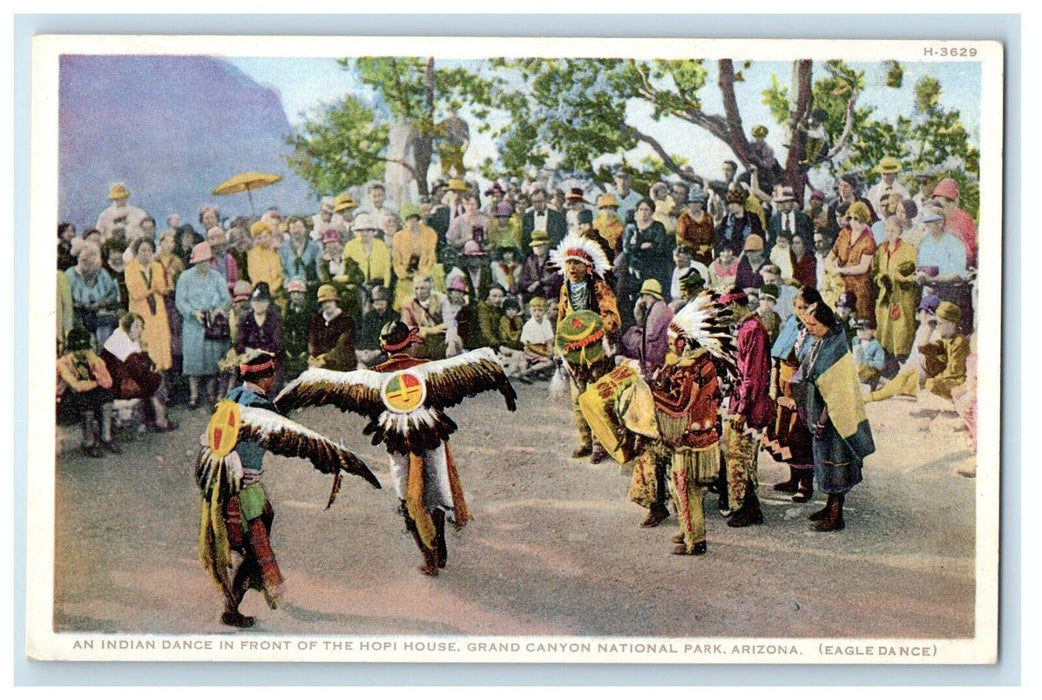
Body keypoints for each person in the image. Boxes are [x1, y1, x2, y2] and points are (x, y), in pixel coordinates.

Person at [196, 349, 374, 627]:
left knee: (260, 528)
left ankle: (253, 581)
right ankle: (231, 609)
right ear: (266, 376)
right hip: (244, 490)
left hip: (223, 486)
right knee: (255, 548)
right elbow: (284, 434)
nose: (274, 379)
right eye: (272, 375)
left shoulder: (231, 398)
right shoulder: (261, 408)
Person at [652, 297, 727, 555]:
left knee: (685, 487)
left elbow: (680, 405)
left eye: (674, 341)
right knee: (684, 487)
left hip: (689, 438)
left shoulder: (691, 369)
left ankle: (694, 540)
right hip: (703, 433)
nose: (671, 345)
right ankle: (688, 531)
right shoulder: (704, 363)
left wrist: (651, 395)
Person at [793, 300, 875, 532]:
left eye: (814, 324)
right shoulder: (823, 341)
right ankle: (830, 506)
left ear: (827, 324)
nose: (810, 328)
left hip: (835, 419)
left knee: (837, 464)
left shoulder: (836, 349)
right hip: (822, 413)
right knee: (824, 462)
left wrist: (822, 420)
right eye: (807, 323)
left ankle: (836, 515)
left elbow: (837, 392)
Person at [552, 234, 621, 463]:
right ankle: (585, 441)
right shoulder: (565, 288)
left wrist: (594, 332)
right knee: (577, 397)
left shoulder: (599, 287)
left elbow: (612, 317)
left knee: (596, 397)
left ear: (588, 266)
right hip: (574, 350)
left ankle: (602, 444)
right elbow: (562, 318)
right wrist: (559, 345)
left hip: (596, 349)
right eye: (569, 263)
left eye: (577, 263)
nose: (572, 268)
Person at [763, 285, 821, 504]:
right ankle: (793, 477)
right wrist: (774, 387)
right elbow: (777, 356)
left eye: (806, 307)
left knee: (800, 435)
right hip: (783, 386)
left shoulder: (818, 329)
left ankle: (806, 484)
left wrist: (798, 397)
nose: (801, 312)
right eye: (798, 307)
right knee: (784, 432)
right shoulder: (791, 323)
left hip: (802, 391)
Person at [721, 289, 772, 527]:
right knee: (741, 458)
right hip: (744, 400)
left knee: (740, 457)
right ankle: (748, 507)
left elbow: (752, 375)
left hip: (749, 405)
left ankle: (748, 509)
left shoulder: (752, 330)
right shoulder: (748, 328)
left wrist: (741, 409)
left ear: (735, 307)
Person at [175, 242, 232, 410]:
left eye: (206, 261)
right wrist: (193, 313)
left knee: (212, 360)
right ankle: (193, 395)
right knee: (193, 361)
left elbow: (226, 299)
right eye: (200, 261)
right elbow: (180, 301)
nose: (204, 264)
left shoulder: (217, 277)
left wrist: (218, 311)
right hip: (193, 324)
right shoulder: (185, 277)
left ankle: (210, 394)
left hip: (212, 323)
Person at [101, 312, 174, 432]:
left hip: (122, 378)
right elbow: (136, 369)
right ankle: (161, 422)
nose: (140, 330)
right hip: (116, 384)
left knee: (154, 378)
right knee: (157, 382)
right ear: (127, 326)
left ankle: (151, 418)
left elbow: (139, 364)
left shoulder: (125, 337)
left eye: (141, 327)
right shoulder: (122, 341)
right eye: (136, 327)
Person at [865, 294, 941, 402]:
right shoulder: (921, 329)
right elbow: (913, 357)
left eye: (925, 312)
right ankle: (886, 390)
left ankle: (874, 396)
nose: (922, 315)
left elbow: (927, 360)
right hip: (917, 369)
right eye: (922, 312)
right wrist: (904, 373)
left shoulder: (936, 333)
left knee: (901, 384)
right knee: (901, 381)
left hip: (928, 373)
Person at [123, 237, 173, 403]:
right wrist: (153, 289)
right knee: (144, 352)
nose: (145, 254)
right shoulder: (130, 268)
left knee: (160, 351)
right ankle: (145, 399)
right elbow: (136, 293)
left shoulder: (157, 266)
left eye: (149, 250)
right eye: (142, 250)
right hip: (141, 315)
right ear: (136, 252)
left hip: (158, 315)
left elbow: (163, 288)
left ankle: (161, 397)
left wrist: (153, 289)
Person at [57, 326, 119, 458]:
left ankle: (106, 437)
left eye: (84, 349)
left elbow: (108, 382)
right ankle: (88, 442)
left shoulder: (94, 360)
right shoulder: (63, 363)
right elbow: (76, 386)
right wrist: (96, 383)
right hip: (67, 399)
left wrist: (96, 365)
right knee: (85, 399)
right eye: (77, 350)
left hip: (89, 393)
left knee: (106, 395)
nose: (81, 353)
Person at [873, 215, 920, 360]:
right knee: (884, 330)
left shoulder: (908, 249)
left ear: (900, 230)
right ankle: (886, 362)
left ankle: (901, 358)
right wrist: (881, 279)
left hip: (902, 297)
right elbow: (875, 272)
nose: (890, 232)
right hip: (885, 297)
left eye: (893, 229)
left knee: (901, 330)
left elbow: (912, 273)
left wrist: (899, 278)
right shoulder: (881, 249)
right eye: (887, 229)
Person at [827, 201, 877, 321]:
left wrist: (841, 270)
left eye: (857, 219)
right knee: (838, 317)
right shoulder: (844, 233)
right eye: (851, 218)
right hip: (842, 285)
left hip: (861, 287)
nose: (854, 222)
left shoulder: (869, 240)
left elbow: (863, 268)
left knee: (860, 318)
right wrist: (831, 268)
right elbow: (831, 255)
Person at [66, 240, 121, 348]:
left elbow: (113, 294)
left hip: (101, 317)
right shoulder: (70, 275)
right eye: (89, 264)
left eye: (96, 266)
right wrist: (83, 305)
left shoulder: (102, 273)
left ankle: (104, 354)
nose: (94, 272)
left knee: (105, 326)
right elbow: (68, 300)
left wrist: (101, 303)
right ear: (81, 261)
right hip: (78, 318)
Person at [619, 279, 674, 378]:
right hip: (656, 348)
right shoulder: (657, 306)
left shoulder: (658, 308)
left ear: (647, 295)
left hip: (656, 352)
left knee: (628, 336)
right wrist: (638, 312)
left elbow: (650, 335)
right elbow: (643, 327)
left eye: (642, 296)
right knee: (632, 331)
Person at [392, 205, 439, 311]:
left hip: (425, 275)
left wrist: (423, 273)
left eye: (414, 219)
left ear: (418, 219)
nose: (411, 222)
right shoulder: (398, 236)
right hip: (406, 279)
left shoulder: (430, 233)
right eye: (408, 219)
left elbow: (432, 256)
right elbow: (396, 260)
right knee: (406, 305)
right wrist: (403, 274)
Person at [919, 301, 969, 399]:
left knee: (931, 384)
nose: (937, 327)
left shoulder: (959, 341)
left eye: (940, 323)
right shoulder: (945, 340)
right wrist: (930, 328)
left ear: (951, 324)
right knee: (919, 371)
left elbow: (954, 372)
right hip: (945, 378)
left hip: (957, 381)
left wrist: (936, 379)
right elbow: (924, 349)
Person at [306, 284, 356, 371]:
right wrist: (313, 355)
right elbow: (312, 340)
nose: (327, 305)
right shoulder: (317, 319)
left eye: (330, 301)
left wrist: (326, 357)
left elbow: (342, 345)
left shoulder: (346, 319)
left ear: (335, 302)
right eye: (324, 302)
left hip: (340, 360)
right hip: (319, 360)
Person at [400, 275, 449, 360]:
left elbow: (449, 322)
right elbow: (406, 327)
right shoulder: (408, 303)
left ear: (430, 287)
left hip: (441, 339)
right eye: (416, 288)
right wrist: (432, 330)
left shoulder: (442, 299)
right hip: (421, 341)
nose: (419, 292)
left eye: (422, 288)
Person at [931, 178, 977, 268]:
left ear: (951, 203)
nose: (936, 208)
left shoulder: (959, 220)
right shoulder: (940, 218)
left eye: (939, 204)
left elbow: (966, 255)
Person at [343, 213, 392, 288]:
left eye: (368, 230)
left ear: (373, 231)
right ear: (356, 232)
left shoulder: (381, 245)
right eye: (361, 231)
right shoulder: (350, 246)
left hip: (378, 285)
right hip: (357, 286)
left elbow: (387, 269)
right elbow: (346, 269)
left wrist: (385, 287)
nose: (364, 234)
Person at [716, 186, 765, 256]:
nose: (730, 206)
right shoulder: (726, 219)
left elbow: (759, 236)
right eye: (729, 204)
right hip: (730, 254)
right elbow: (721, 238)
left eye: (733, 203)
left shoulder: (752, 217)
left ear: (740, 203)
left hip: (748, 253)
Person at [355, 285, 397, 368]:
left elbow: (392, 340)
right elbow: (364, 337)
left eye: (382, 299)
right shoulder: (368, 317)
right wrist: (366, 352)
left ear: (387, 301)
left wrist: (377, 352)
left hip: (386, 354)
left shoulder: (395, 317)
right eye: (375, 300)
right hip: (370, 353)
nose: (378, 302)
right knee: (361, 366)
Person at [281, 278, 313, 379]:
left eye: (299, 293)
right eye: (293, 293)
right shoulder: (288, 311)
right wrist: (287, 348)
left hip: (305, 348)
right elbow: (285, 330)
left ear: (304, 294)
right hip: (291, 349)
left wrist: (306, 351)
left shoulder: (309, 311)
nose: (295, 296)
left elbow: (311, 333)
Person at [247, 220, 285, 305]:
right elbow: (253, 275)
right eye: (259, 238)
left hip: (277, 293)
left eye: (265, 236)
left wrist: (271, 290)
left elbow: (281, 275)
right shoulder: (252, 254)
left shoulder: (279, 251)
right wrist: (263, 290)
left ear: (270, 235)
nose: (263, 240)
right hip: (260, 292)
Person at [279, 216, 322, 291]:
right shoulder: (284, 248)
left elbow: (319, 268)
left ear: (305, 229)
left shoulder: (314, 247)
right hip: (289, 286)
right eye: (292, 228)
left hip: (309, 285)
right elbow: (282, 269)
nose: (296, 231)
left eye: (299, 227)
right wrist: (288, 283)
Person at [519, 229, 561, 304]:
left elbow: (556, 279)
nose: (537, 248)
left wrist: (539, 283)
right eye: (534, 246)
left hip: (550, 296)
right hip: (533, 296)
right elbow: (524, 280)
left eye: (540, 246)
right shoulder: (530, 260)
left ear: (546, 245)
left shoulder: (554, 259)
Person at [519, 296, 556, 379]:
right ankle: (527, 372)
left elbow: (549, 340)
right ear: (530, 311)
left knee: (554, 359)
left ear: (544, 311)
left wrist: (550, 351)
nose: (537, 313)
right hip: (532, 350)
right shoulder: (528, 325)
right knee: (549, 363)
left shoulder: (546, 323)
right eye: (534, 310)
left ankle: (539, 372)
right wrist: (540, 353)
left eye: (540, 310)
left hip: (543, 348)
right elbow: (527, 344)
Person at [521, 186, 567, 251]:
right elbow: (525, 240)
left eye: (539, 201)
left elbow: (560, 237)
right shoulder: (527, 217)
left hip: (552, 254)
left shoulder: (557, 217)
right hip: (533, 255)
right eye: (534, 202)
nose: (537, 204)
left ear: (546, 200)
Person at [866, 156, 911, 221]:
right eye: (884, 174)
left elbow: (907, 210)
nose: (886, 177)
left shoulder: (903, 191)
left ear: (895, 174)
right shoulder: (874, 191)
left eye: (889, 174)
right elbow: (871, 211)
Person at [851, 319, 885, 390]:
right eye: (858, 330)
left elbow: (880, 364)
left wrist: (865, 363)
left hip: (869, 374)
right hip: (855, 371)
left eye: (863, 330)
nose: (860, 332)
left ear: (872, 331)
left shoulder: (876, 345)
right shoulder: (856, 340)